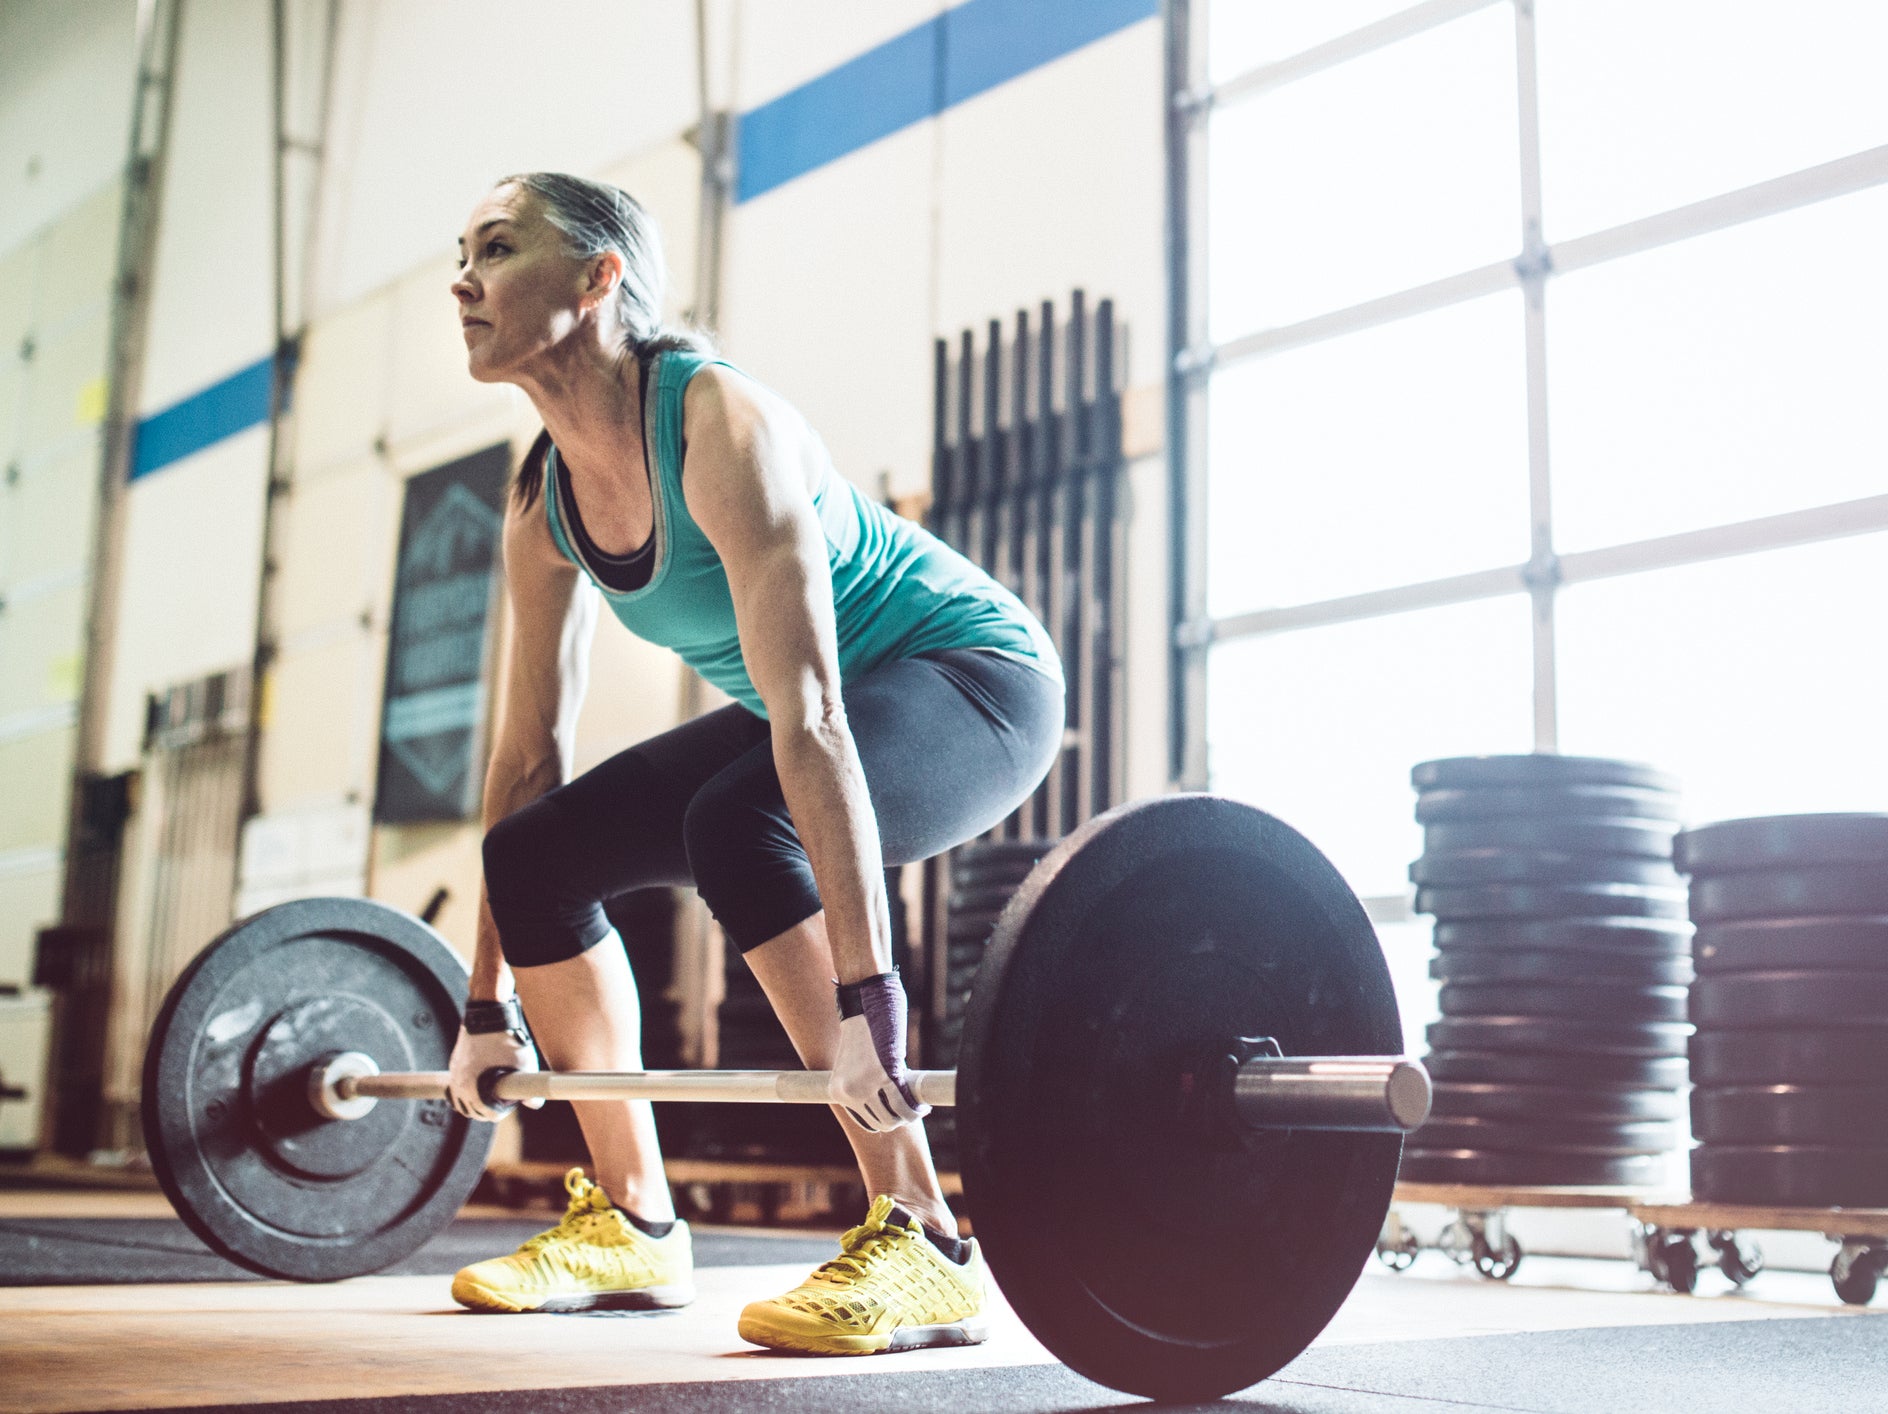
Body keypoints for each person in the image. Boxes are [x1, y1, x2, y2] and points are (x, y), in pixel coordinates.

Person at [440, 171, 1063, 1355]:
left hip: (975, 680)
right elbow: (527, 758)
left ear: (597, 277)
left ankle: (924, 1231)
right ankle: (633, 1220)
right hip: (811, 706)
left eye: (498, 248)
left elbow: (816, 710)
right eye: (459, 254)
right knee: (532, 853)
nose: (462, 280)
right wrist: (486, 1002)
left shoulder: (720, 425)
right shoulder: (542, 503)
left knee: (739, 820)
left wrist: (868, 1000)